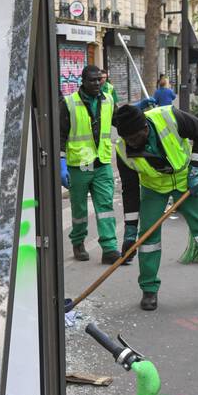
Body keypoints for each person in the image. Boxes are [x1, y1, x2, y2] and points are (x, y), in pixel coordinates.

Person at [113, 100, 198, 312]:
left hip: (185, 181)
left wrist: (196, 169)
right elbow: (130, 190)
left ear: (145, 127)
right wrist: (130, 230)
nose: (132, 144)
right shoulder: (123, 150)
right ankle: (149, 289)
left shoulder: (168, 117)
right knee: (148, 239)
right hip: (153, 188)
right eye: (127, 139)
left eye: (135, 138)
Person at [60, 63, 120, 264]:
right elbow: (60, 134)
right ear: (83, 82)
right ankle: (78, 243)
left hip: (102, 162)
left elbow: (119, 120)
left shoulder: (109, 100)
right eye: (92, 80)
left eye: (99, 80)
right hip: (80, 165)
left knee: (105, 206)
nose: (97, 83)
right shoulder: (69, 103)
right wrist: (60, 162)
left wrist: (139, 112)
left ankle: (110, 247)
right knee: (79, 209)